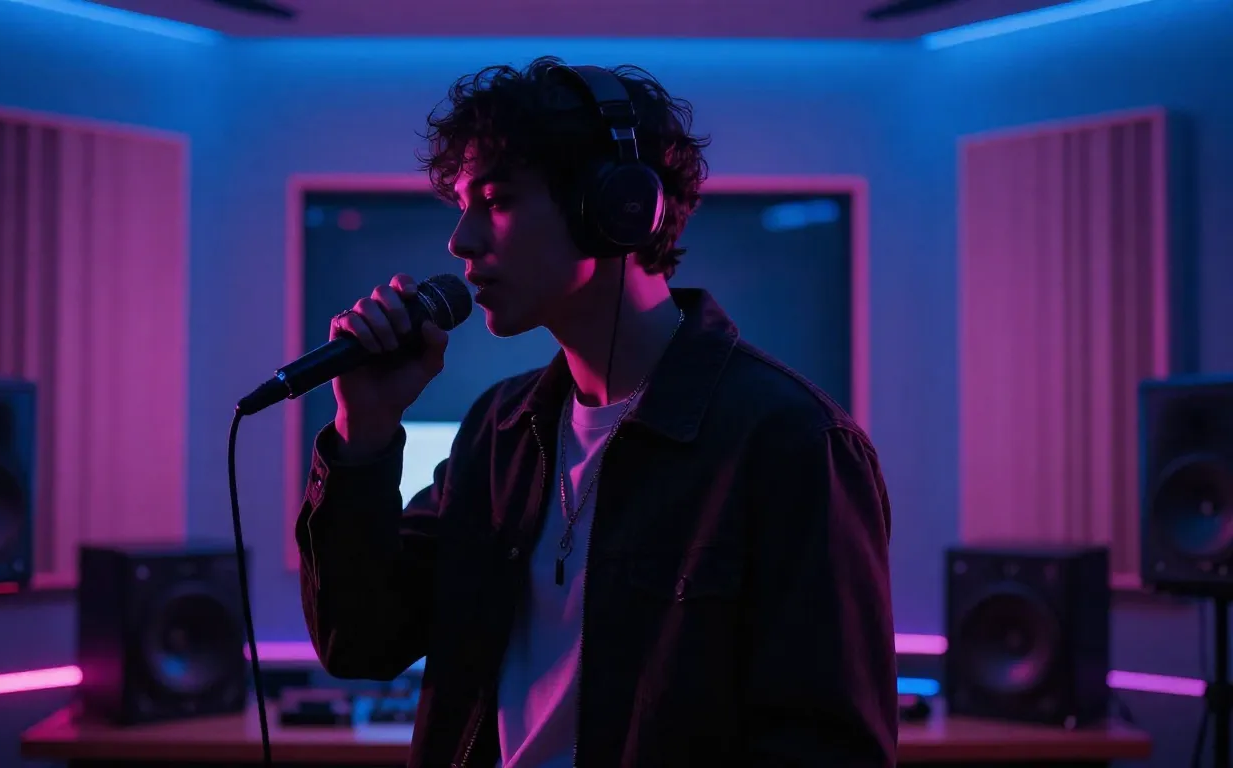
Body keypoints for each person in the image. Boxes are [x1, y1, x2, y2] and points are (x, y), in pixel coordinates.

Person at [295, 56, 897, 768]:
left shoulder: (793, 443)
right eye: (461, 206)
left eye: (497, 200)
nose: (461, 241)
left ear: (616, 208)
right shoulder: (498, 430)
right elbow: (360, 641)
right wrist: (363, 433)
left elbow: (830, 750)